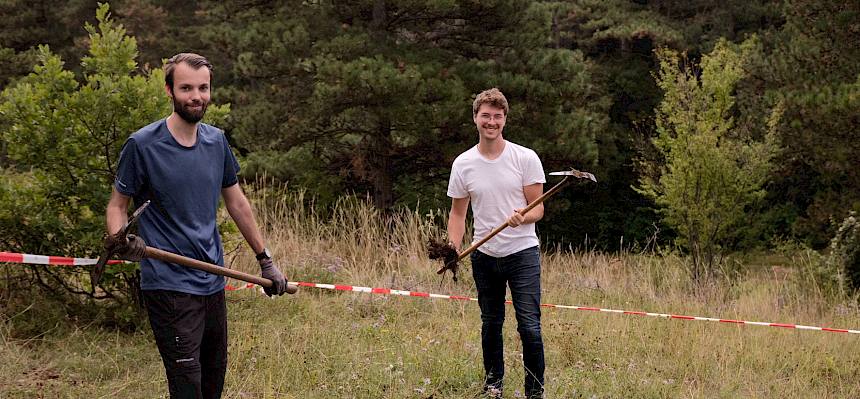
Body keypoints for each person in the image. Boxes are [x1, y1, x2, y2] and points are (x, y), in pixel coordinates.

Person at [104, 53, 289, 399]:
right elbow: (117, 206)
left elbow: (237, 203)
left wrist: (265, 259)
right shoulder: (142, 145)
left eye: (203, 88)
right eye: (186, 87)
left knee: (211, 385)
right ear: (169, 91)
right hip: (169, 285)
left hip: (212, 281)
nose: (196, 96)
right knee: (188, 388)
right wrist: (120, 238)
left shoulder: (216, 141)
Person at [446, 88, 546, 398]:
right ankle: (493, 386)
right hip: (484, 255)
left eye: (497, 116)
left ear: (505, 120)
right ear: (475, 118)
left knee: (529, 325)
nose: (492, 122)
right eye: (486, 116)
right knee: (491, 323)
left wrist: (523, 217)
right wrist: (452, 251)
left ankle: (535, 392)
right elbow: (458, 214)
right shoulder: (463, 164)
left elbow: (539, 208)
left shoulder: (524, 157)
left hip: (522, 253)